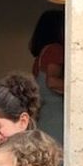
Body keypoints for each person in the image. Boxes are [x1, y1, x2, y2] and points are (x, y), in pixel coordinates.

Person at [29, 9, 64, 148]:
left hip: (44, 118)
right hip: (57, 118)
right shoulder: (55, 50)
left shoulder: (41, 55)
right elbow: (52, 82)